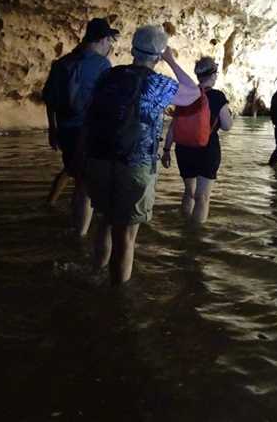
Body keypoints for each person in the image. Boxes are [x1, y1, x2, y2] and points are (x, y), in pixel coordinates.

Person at [84, 25, 200, 285]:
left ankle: (95, 274)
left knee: (104, 220)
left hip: (100, 158)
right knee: (125, 234)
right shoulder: (157, 83)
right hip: (135, 163)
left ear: (133, 49)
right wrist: (170, 59)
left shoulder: (109, 75)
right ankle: (117, 299)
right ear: (157, 55)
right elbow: (193, 93)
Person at [42, 18, 118, 235]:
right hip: (90, 133)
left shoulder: (61, 63)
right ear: (103, 40)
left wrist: (52, 129)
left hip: (65, 130)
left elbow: (50, 99)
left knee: (76, 177)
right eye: (109, 40)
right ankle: (79, 237)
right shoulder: (102, 65)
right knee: (85, 187)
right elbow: (108, 103)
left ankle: (74, 227)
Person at [161, 57, 233, 224]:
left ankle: (184, 225)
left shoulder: (187, 94)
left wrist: (166, 150)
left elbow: (174, 125)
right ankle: (195, 238)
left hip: (184, 149)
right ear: (213, 75)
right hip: (207, 149)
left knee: (189, 192)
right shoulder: (217, 96)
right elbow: (227, 126)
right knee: (202, 197)